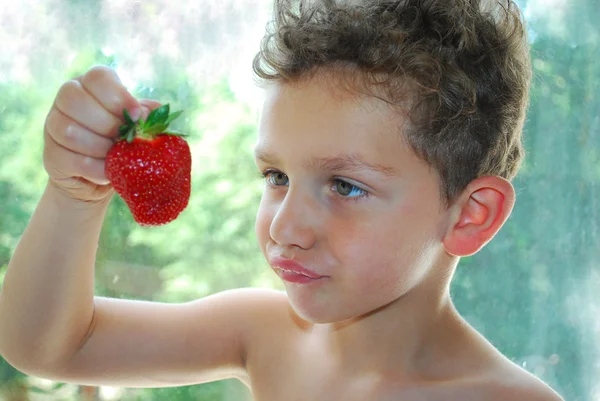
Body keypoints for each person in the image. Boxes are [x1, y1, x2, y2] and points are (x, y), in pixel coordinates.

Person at [0, 0, 564, 400]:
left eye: (345, 186)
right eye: (276, 175)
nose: (285, 227)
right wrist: (74, 193)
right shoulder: (262, 333)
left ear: (470, 215)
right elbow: (48, 347)